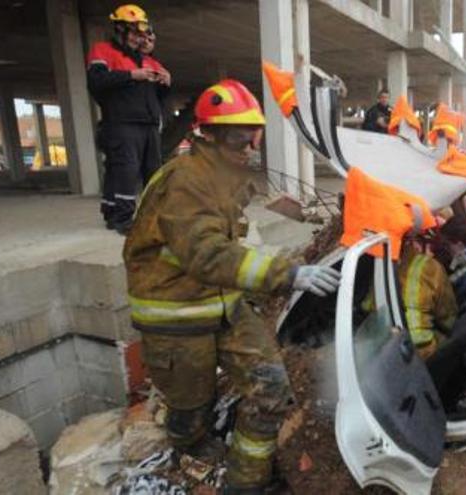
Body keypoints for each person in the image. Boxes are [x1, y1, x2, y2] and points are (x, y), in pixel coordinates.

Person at [123, 79, 341, 493]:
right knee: (190, 413)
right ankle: (192, 447)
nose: (250, 150)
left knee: (271, 389)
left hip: (224, 304)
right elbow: (205, 254)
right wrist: (286, 275)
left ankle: (245, 482)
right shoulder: (186, 181)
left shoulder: (220, 177)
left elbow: (225, 250)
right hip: (175, 316)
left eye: (253, 140)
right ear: (208, 136)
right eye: (241, 142)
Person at [87, 4, 170, 234]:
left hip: (149, 124)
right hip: (122, 123)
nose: (139, 40)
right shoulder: (103, 51)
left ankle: (145, 215)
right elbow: (96, 82)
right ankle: (122, 219)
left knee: (152, 172)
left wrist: (165, 82)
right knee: (126, 170)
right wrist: (131, 76)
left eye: (142, 35)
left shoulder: (149, 61)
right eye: (135, 34)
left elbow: (159, 96)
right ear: (121, 30)